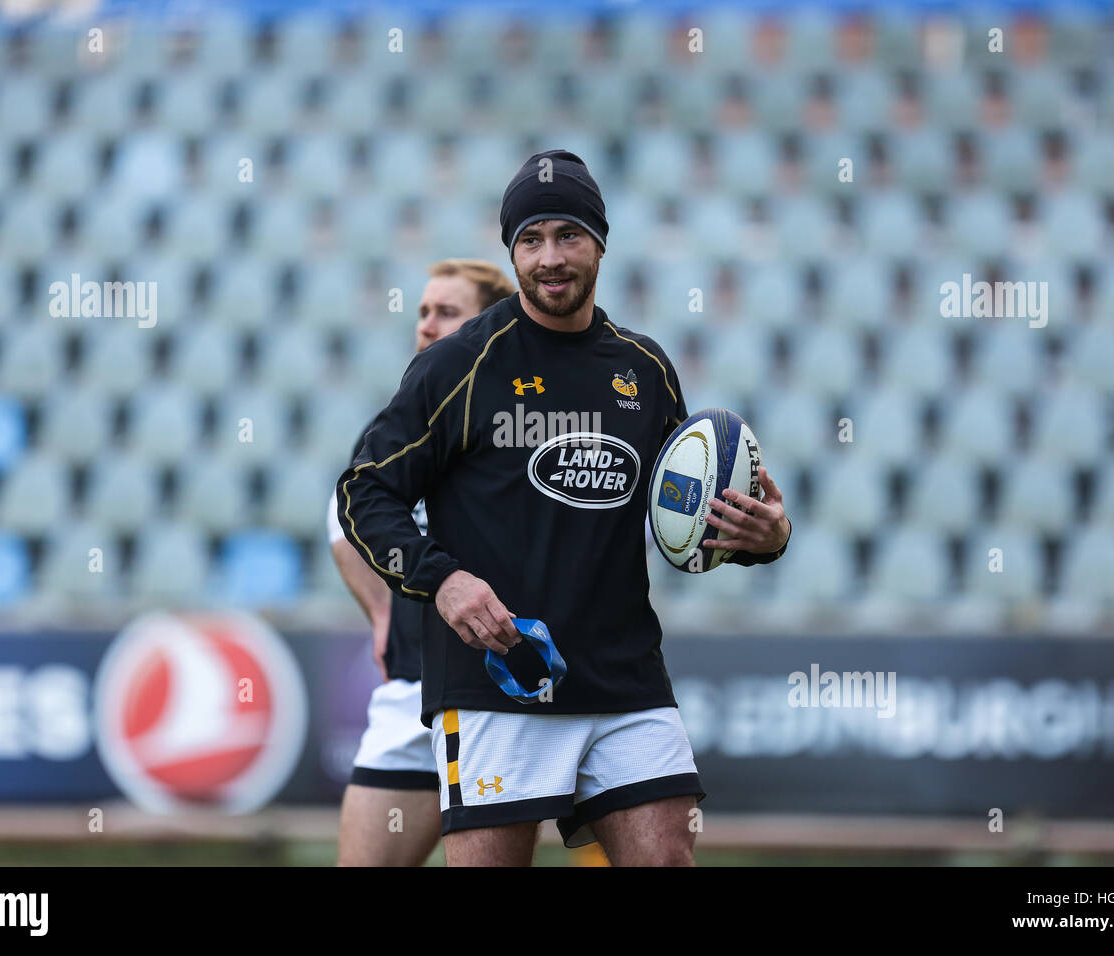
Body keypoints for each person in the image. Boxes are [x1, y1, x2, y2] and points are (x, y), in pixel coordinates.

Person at [337, 150, 791, 867]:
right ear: (512, 251)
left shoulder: (644, 370)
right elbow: (364, 490)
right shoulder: (460, 364)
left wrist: (765, 536)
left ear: (600, 244)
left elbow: (689, 527)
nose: (550, 257)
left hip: (623, 678)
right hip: (498, 679)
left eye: (568, 235)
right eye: (531, 239)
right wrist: (442, 581)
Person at [328, 258, 516, 866]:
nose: (428, 325)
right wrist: (380, 611)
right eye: (423, 313)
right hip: (413, 695)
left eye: (448, 312)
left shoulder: (532, 422)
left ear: (491, 327)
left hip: (509, 695)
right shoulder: (404, 420)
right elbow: (343, 518)